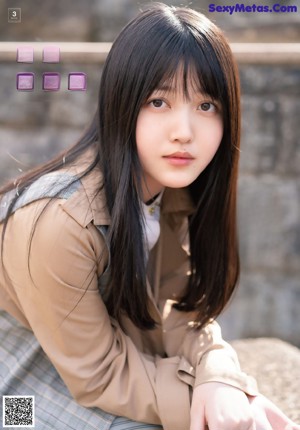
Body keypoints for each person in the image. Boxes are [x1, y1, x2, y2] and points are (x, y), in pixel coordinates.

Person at [0, 3, 299, 430]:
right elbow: (99, 373)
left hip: (80, 363)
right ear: (122, 104)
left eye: (207, 105)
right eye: (159, 101)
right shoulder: (59, 221)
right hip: (13, 386)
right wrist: (215, 405)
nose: (184, 130)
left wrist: (220, 375)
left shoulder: (168, 189)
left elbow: (175, 310)